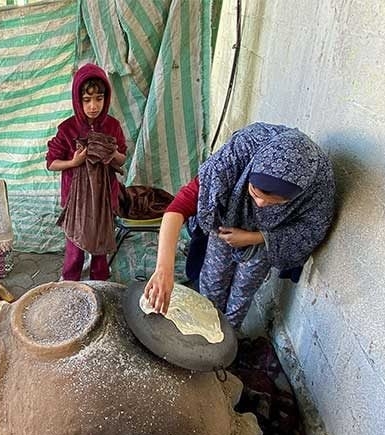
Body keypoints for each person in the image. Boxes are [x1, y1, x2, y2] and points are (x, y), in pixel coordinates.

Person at [144, 122, 335, 328]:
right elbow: (179, 206)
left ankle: (229, 335)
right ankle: (202, 327)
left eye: (274, 202)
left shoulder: (318, 185)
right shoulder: (239, 153)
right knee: (212, 282)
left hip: (268, 239)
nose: (259, 204)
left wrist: (254, 237)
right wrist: (164, 269)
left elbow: (309, 230)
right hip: (225, 224)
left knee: (243, 292)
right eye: (254, 192)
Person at [46, 63, 127, 281]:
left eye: (99, 99)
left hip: (103, 197)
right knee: (75, 247)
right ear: (77, 99)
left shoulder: (112, 126)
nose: (93, 106)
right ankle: (70, 282)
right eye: (87, 100)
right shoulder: (67, 129)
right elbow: (52, 163)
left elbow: (122, 158)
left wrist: (112, 153)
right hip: (76, 200)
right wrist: (74, 162)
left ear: (106, 98)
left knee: (100, 242)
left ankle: (99, 283)